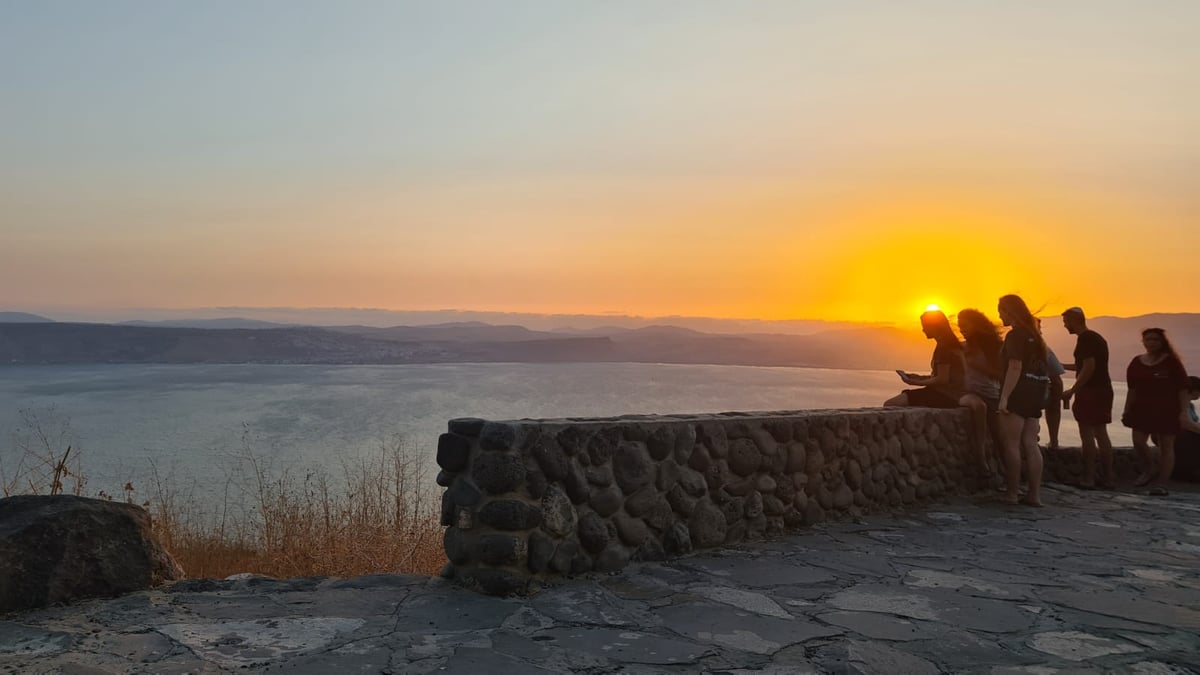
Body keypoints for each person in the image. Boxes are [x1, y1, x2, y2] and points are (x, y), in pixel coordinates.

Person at [996, 294, 1050, 506]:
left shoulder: (1015, 336)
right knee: (1030, 444)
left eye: (1000, 311)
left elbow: (1015, 366)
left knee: (1011, 444)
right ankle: (1034, 495)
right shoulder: (1036, 337)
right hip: (1036, 391)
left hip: (1018, 393)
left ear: (1010, 311)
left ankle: (1011, 493)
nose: (999, 315)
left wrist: (1005, 398)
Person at [1123, 327, 1189, 496]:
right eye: (1148, 339)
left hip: (1167, 409)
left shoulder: (1171, 362)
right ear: (1143, 342)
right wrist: (1126, 409)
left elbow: (1182, 389)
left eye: (1155, 340)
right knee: (1138, 441)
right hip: (1141, 408)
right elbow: (1132, 389)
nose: (1151, 343)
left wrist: (1184, 412)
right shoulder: (1137, 362)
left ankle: (1162, 483)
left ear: (1162, 342)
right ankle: (1150, 468)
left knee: (1166, 446)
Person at [1059, 307, 1115, 489]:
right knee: (1101, 433)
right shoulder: (1096, 338)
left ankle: (1088, 478)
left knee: (1087, 434)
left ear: (1075, 320)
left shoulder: (1086, 339)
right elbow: (1082, 365)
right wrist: (1059, 366)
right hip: (1104, 389)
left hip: (1091, 392)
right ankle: (1107, 478)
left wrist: (1072, 390)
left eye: (1066, 321)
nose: (1065, 325)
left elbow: (1089, 367)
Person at [885, 310, 965, 409]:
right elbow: (943, 376)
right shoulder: (952, 345)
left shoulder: (944, 348)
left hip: (945, 396)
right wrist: (919, 377)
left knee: (890, 404)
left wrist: (915, 382)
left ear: (934, 326)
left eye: (925, 326)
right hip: (955, 396)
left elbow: (943, 379)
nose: (923, 329)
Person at [956, 309, 1004, 474]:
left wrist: (979, 366)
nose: (961, 329)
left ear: (976, 324)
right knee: (978, 407)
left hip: (993, 394)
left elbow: (1001, 375)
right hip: (969, 393)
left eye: (964, 325)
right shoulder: (961, 348)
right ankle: (980, 457)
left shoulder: (994, 347)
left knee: (1000, 435)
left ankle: (1009, 475)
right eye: (959, 326)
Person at [1172, 376, 1200, 482]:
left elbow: (1194, 423)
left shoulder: (1191, 406)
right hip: (1175, 434)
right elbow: (1185, 423)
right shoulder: (1179, 404)